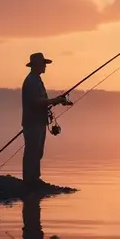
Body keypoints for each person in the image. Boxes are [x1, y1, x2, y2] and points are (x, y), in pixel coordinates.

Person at [21, 52, 68, 187]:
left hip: (39, 122)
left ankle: (34, 178)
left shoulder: (36, 80)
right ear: (36, 65)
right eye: (43, 64)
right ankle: (29, 180)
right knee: (32, 151)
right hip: (32, 122)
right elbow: (36, 101)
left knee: (37, 152)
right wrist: (54, 100)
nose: (45, 67)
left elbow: (41, 101)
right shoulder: (31, 81)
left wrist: (56, 101)